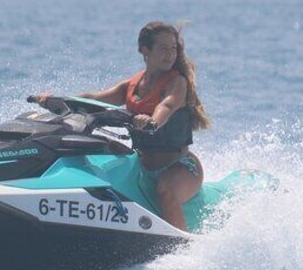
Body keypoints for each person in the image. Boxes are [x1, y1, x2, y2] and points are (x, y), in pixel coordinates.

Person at [35, 21, 212, 231]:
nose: (170, 54)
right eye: (163, 48)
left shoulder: (177, 83)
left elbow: (167, 105)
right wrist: (55, 101)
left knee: (166, 190)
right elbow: (94, 99)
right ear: (144, 50)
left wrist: (152, 121)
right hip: (143, 165)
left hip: (181, 166)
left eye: (173, 48)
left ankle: (183, 249)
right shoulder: (132, 85)